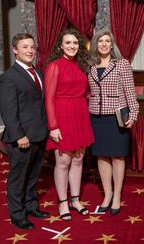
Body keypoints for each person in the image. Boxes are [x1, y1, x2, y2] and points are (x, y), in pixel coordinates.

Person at [0, 33, 49, 230]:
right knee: (18, 177)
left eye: (32, 47)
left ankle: (30, 206)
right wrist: (19, 135)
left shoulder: (38, 73)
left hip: (39, 133)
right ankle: (17, 214)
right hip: (22, 137)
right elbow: (8, 112)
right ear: (15, 50)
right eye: (25, 47)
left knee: (34, 174)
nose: (30, 51)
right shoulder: (8, 78)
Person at [44, 28, 95, 220]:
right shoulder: (54, 66)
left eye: (75, 43)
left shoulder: (82, 66)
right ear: (60, 46)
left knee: (78, 159)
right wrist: (53, 126)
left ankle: (75, 200)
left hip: (79, 114)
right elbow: (48, 99)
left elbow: (86, 93)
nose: (72, 46)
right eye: (68, 43)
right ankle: (63, 203)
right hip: (62, 116)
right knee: (63, 161)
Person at [87, 29, 139, 215]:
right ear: (95, 44)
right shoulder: (90, 66)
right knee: (101, 157)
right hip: (96, 118)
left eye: (107, 41)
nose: (103, 44)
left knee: (117, 157)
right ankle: (107, 195)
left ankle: (116, 195)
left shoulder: (122, 64)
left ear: (112, 44)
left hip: (116, 118)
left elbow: (130, 93)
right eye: (100, 41)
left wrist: (133, 116)